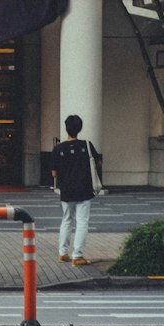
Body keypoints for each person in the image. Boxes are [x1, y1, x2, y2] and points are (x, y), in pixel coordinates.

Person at [51, 114, 103, 266]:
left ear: (66, 128)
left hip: (66, 190)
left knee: (66, 220)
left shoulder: (58, 148)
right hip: (84, 189)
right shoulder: (86, 145)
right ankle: (77, 255)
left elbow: (54, 173)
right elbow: (98, 163)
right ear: (79, 128)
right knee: (82, 222)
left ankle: (62, 253)